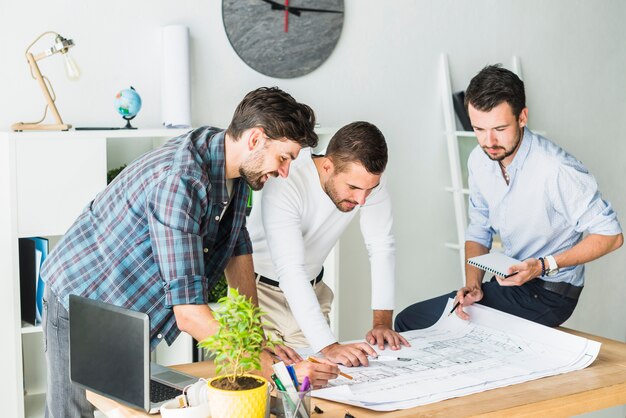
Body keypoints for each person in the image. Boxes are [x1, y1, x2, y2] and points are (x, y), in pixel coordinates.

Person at [40, 87, 339, 418]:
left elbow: (237, 245)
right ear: (255, 139)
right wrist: (262, 363)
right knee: (74, 413)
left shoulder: (234, 168)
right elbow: (189, 314)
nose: (284, 171)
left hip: (125, 309)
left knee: (123, 409)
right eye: (284, 158)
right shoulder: (181, 181)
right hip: (80, 296)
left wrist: (255, 338)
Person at [395, 65, 623, 332]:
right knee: (420, 322)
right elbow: (479, 230)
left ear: (522, 117)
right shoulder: (479, 161)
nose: (489, 141)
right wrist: (474, 285)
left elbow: (611, 236)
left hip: (551, 292)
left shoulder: (556, 168)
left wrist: (542, 266)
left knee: (412, 322)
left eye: (500, 128)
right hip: (507, 281)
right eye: (479, 129)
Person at [248, 121, 409, 368]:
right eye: (353, 187)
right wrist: (329, 346)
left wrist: (382, 323)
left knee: (318, 387)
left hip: (312, 292)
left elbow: (381, 246)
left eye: (370, 189)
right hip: (258, 296)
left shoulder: (368, 183)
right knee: (261, 384)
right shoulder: (287, 179)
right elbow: (290, 269)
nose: (362, 199)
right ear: (327, 166)